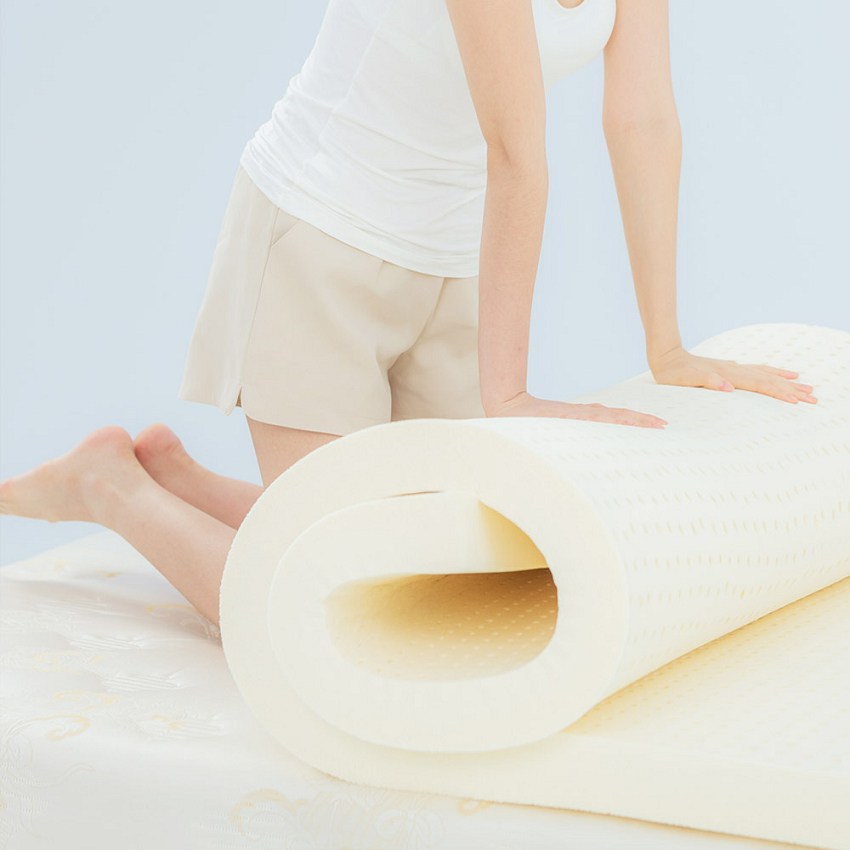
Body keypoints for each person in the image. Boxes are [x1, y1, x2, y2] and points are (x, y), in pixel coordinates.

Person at [0, 0, 816, 628]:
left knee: (438, 567)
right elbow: (515, 150)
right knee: (321, 614)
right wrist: (508, 393)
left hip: (455, 260)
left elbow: (644, 119)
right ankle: (111, 486)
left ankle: (180, 480)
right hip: (319, 239)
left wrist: (667, 345)